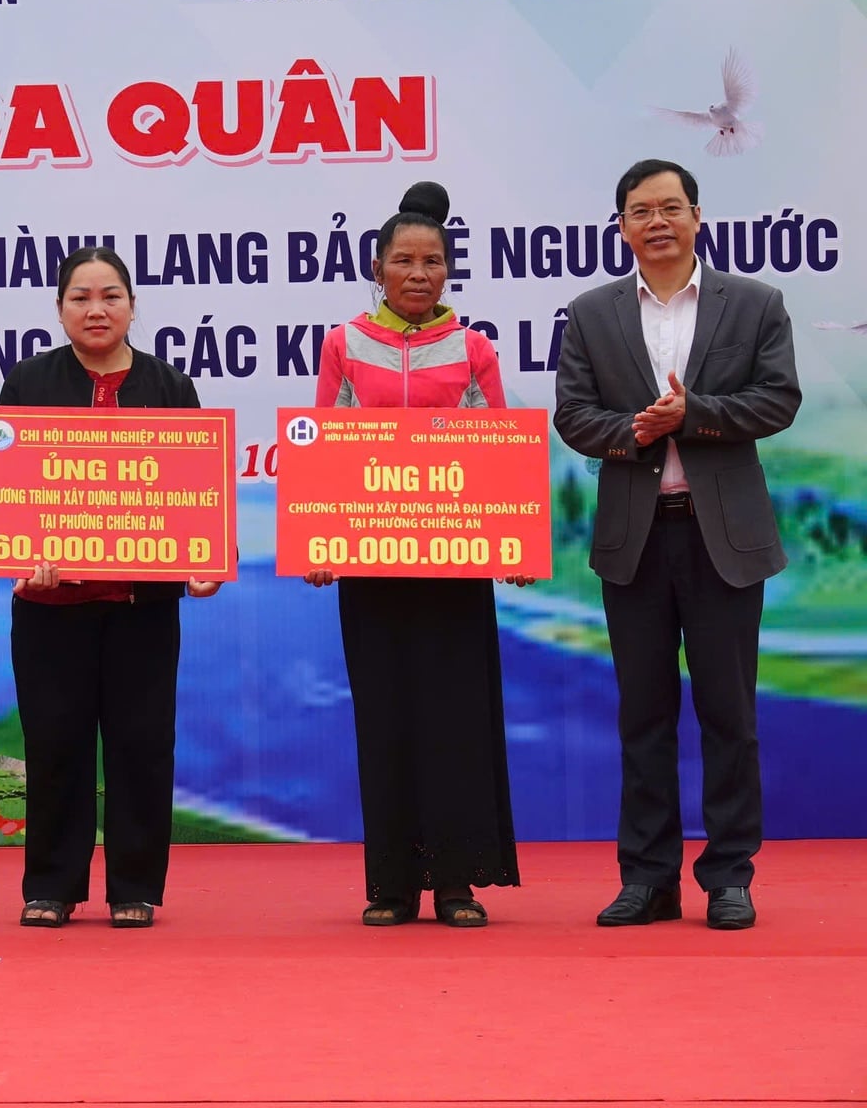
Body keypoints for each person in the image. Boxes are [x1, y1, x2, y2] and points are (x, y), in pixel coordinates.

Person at [555, 159, 800, 931]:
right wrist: (635, 430)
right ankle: (648, 878)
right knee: (644, 714)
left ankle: (729, 874)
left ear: (698, 216)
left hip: (722, 535)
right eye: (639, 211)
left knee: (729, 713)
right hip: (636, 539)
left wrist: (691, 416)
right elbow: (574, 415)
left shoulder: (754, 303)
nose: (655, 222)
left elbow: (777, 398)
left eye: (669, 208)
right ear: (621, 227)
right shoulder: (592, 314)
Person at [307, 183, 524, 928]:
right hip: (372, 569)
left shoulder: (473, 349)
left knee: (455, 718)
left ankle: (457, 882)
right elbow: (325, 446)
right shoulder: (343, 344)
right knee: (386, 718)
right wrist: (318, 543)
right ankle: (392, 884)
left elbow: (500, 452)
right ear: (378, 267)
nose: (420, 273)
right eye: (405, 260)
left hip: (455, 569)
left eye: (433, 261)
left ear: (449, 270)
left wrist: (515, 545)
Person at [0, 247, 220, 930]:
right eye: (80, 297)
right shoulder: (28, 382)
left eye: (111, 296)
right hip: (49, 607)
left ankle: (135, 886)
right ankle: (52, 887)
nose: (96, 310)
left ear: (131, 305)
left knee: (141, 743)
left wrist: (206, 560)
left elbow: (198, 497)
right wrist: (14, 547)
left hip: (141, 606)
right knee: (54, 743)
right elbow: (5, 491)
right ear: (59, 308)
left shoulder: (169, 387)